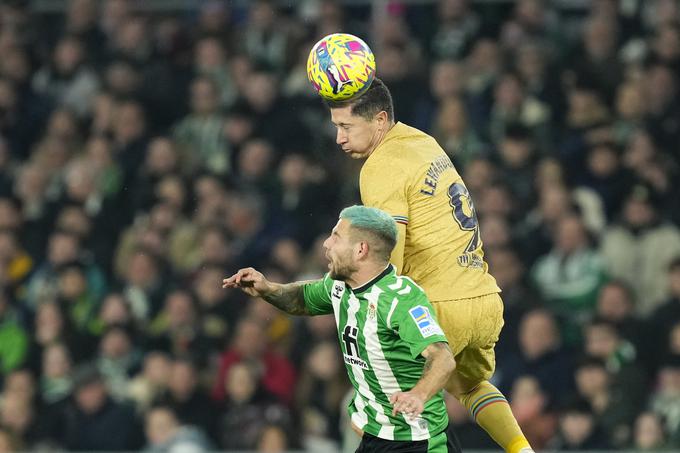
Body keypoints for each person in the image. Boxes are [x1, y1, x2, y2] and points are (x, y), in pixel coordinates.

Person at [324, 78, 534, 453]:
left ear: (379, 120)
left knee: (381, 412)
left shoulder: (380, 166)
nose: (338, 138)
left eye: (345, 127)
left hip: (435, 304)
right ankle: (522, 449)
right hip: (481, 296)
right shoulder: (423, 142)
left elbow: (388, 256)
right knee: (468, 387)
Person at [224, 205, 458, 452]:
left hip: (417, 440)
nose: (326, 244)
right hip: (376, 437)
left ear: (360, 250)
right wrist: (268, 289)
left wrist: (418, 395)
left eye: (336, 236)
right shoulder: (339, 287)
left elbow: (442, 357)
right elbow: (302, 298)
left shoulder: (400, 299)